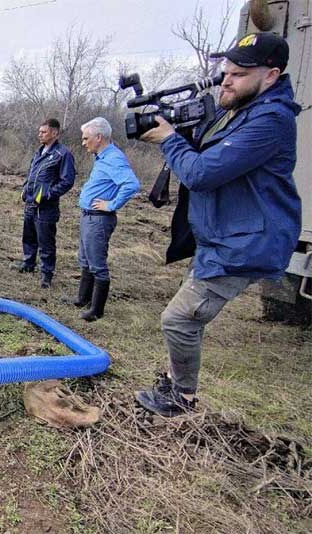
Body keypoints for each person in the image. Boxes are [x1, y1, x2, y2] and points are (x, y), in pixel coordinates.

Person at [135, 33, 302, 417]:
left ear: (271, 75)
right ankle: (174, 382)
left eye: (239, 74)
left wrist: (169, 139)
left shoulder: (270, 120)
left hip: (243, 244)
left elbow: (202, 173)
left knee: (178, 319)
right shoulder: (245, 110)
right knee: (185, 317)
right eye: (225, 72)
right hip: (222, 237)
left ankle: (182, 399)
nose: (226, 80)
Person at [74, 117, 140, 321]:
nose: (83, 143)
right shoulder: (102, 157)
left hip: (99, 219)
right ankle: (82, 299)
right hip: (89, 217)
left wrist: (111, 205)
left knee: (97, 264)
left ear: (98, 137)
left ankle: (96, 311)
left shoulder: (113, 158)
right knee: (85, 259)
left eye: (86, 139)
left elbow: (131, 185)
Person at [12, 118, 76, 289]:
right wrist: (25, 189)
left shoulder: (63, 154)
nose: (39, 134)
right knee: (29, 236)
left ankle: (46, 274)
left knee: (46, 241)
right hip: (31, 203)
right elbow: (31, 174)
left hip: (46, 207)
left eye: (44, 132)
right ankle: (28, 264)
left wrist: (47, 194)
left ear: (54, 133)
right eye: (39, 131)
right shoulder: (39, 151)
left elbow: (67, 181)